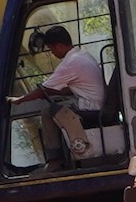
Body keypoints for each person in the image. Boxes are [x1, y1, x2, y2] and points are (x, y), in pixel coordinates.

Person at [16, 22, 109, 164]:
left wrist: (21, 99)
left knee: (48, 112)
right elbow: (71, 88)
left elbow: (43, 90)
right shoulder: (83, 55)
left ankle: (55, 160)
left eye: (51, 49)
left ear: (58, 46)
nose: (52, 53)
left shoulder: (70, 63)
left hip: (91, 106)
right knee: (59, 103)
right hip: (97, 101)